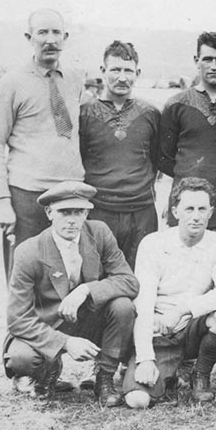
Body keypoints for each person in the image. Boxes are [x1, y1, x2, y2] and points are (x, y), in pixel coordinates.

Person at [2, 181, 138, 407]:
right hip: (48, 325)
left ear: (86, 213)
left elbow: (129, 281)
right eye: (64, 212)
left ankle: (104, 379)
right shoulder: (28, 252)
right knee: (22, 358)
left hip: (89, 318)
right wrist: (64, 343)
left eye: (79, 212)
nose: (72, 220)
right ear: (49, 212)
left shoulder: (99, 233)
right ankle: (47, 372)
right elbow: (17, 319)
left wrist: (86, 290)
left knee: (123, 306)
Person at [0, 9, 87, 277]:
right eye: (42, 32)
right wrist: (1, 200)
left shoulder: (76, 79)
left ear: (65, 37)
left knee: (66, 274)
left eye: (56, 32)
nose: (50, 40)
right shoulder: (10, 84)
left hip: (69, 194)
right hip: (27, 197)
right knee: (24, 275)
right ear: (29, 37)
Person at [123, 177, 216, 408]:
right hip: (160, 332)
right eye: (189, 209)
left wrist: (182, 310)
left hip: (192, 327)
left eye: (202, 209)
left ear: (211, 212)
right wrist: (145, 358)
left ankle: (201, 374)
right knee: (137, 401)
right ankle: (167, 374)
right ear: (175, 212)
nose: (196, 216)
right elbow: (143, 303)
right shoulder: (153, 243)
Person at [159, 31, 216, 252]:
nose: (213, 66)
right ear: (196, 61)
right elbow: (164, 157)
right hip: (186, 211)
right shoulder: (176, 104)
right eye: (207, 59)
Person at [78, 40, 161, 268]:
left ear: (138, 73)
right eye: (115, 70)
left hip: (141, 211)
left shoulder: (151, 113)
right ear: (103, 71)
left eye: (128, 71)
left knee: (140, 276)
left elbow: (155, 159)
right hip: (99, 211)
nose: (122, 77)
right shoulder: (84, 114)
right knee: (98, 276)